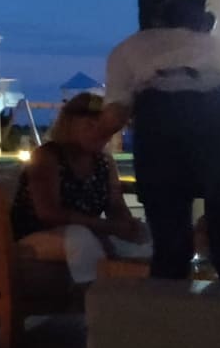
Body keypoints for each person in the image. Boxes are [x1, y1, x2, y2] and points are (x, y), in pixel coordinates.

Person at [100, 0, 220, 279]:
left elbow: (116, 114)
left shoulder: (131, 47)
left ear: (159, 21)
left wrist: (87, 141)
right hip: (218, 127)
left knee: (170, 241)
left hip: (160, 132)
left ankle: (169, 301)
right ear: (204, 24)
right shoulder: (218, 47)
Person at [13, 93, 150, 284]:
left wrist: (128, 226)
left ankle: (148, 293)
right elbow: (49, 214)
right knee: (81, 240)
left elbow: (115, 205)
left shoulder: (104, 162)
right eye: (91, 125)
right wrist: (106, 227)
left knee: (149, 235)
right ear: (70, 125)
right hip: (35, 235)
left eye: (105, 127)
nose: (101, 132)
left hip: (89, 230)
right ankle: (90, 296)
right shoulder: (47, 157)